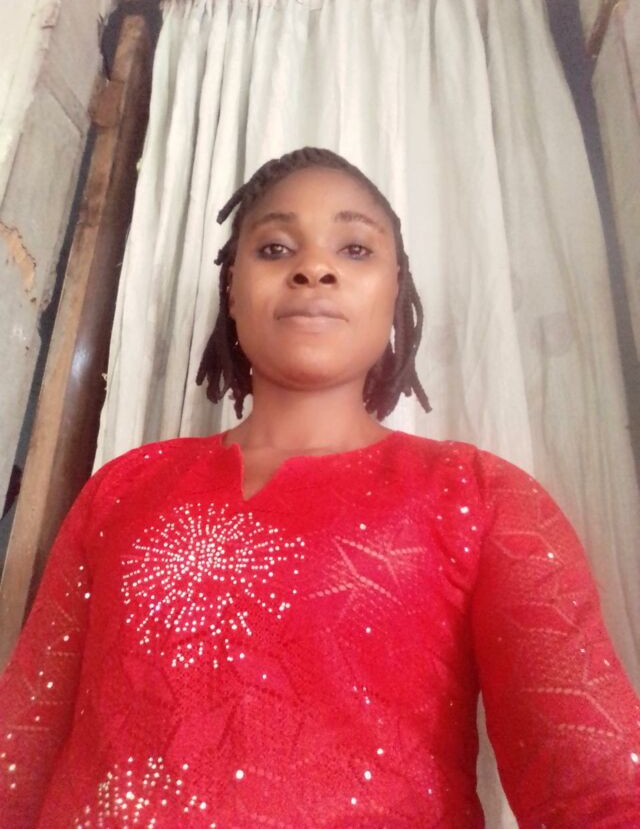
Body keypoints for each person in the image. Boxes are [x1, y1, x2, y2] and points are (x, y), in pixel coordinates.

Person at [0, 148, 638, 827]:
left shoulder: (480, 498)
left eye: (355, 249)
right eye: (275, 248)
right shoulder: (123, 489)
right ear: (232, 291)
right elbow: (20, 749)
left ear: (395, 292)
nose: (313, 267)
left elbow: (598, 788)